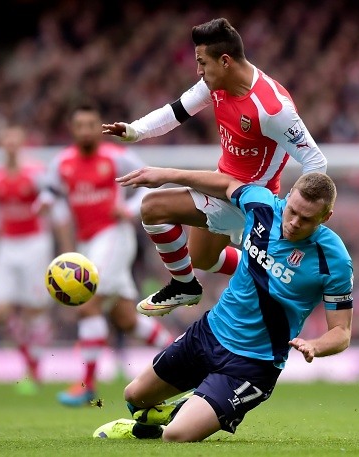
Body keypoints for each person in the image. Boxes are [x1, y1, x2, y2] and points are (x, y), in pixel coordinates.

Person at [92, 167, 353, 442]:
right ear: (287, 197)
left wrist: (315, 345)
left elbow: (342, 332)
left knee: (177, 436)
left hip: (252, 364)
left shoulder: (334, 261)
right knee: (134, 396)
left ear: (326, 217)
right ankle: (182, 410)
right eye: (292, 211)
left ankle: (184, 414)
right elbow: (225, 183)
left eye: (307, 219)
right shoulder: (261, 204)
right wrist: (164, 174)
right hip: (209, 332)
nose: (294, 222)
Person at [102, 17, 327, 317]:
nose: (198, 70)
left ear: (225, 61)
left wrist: (295, 214)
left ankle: (187, 285)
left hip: (251, 201)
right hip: (222, 187)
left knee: (153, 207)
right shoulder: (215, 84)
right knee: (202, 258)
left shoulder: (272, 109)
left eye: (201, 62)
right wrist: (134, 131)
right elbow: (176, 111)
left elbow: (315, 161)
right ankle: (265, 270)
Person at [37, 102, 175, 407]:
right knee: (125, 318)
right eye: (80, 125)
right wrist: (45, 201)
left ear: (99, 128)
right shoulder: (62, 163)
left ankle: (87, 384)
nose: (86, 130)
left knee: (88, 303)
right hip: (86, 243)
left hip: (114, 236)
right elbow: (50, 190)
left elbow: (149, 182)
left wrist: (127, 208)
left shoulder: (117, 158)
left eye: (91, 125)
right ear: (72, 130)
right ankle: (182, 353)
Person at [0, 125, 54, 395]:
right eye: (5, 141)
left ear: (21, 144)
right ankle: (29, 360)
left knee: (34, 309)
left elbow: (51, 199)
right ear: (1, 145)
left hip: (34, 243)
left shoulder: (35, 174)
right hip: (7, 244)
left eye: (14, 142)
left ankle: (35, 367)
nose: (10, 146)